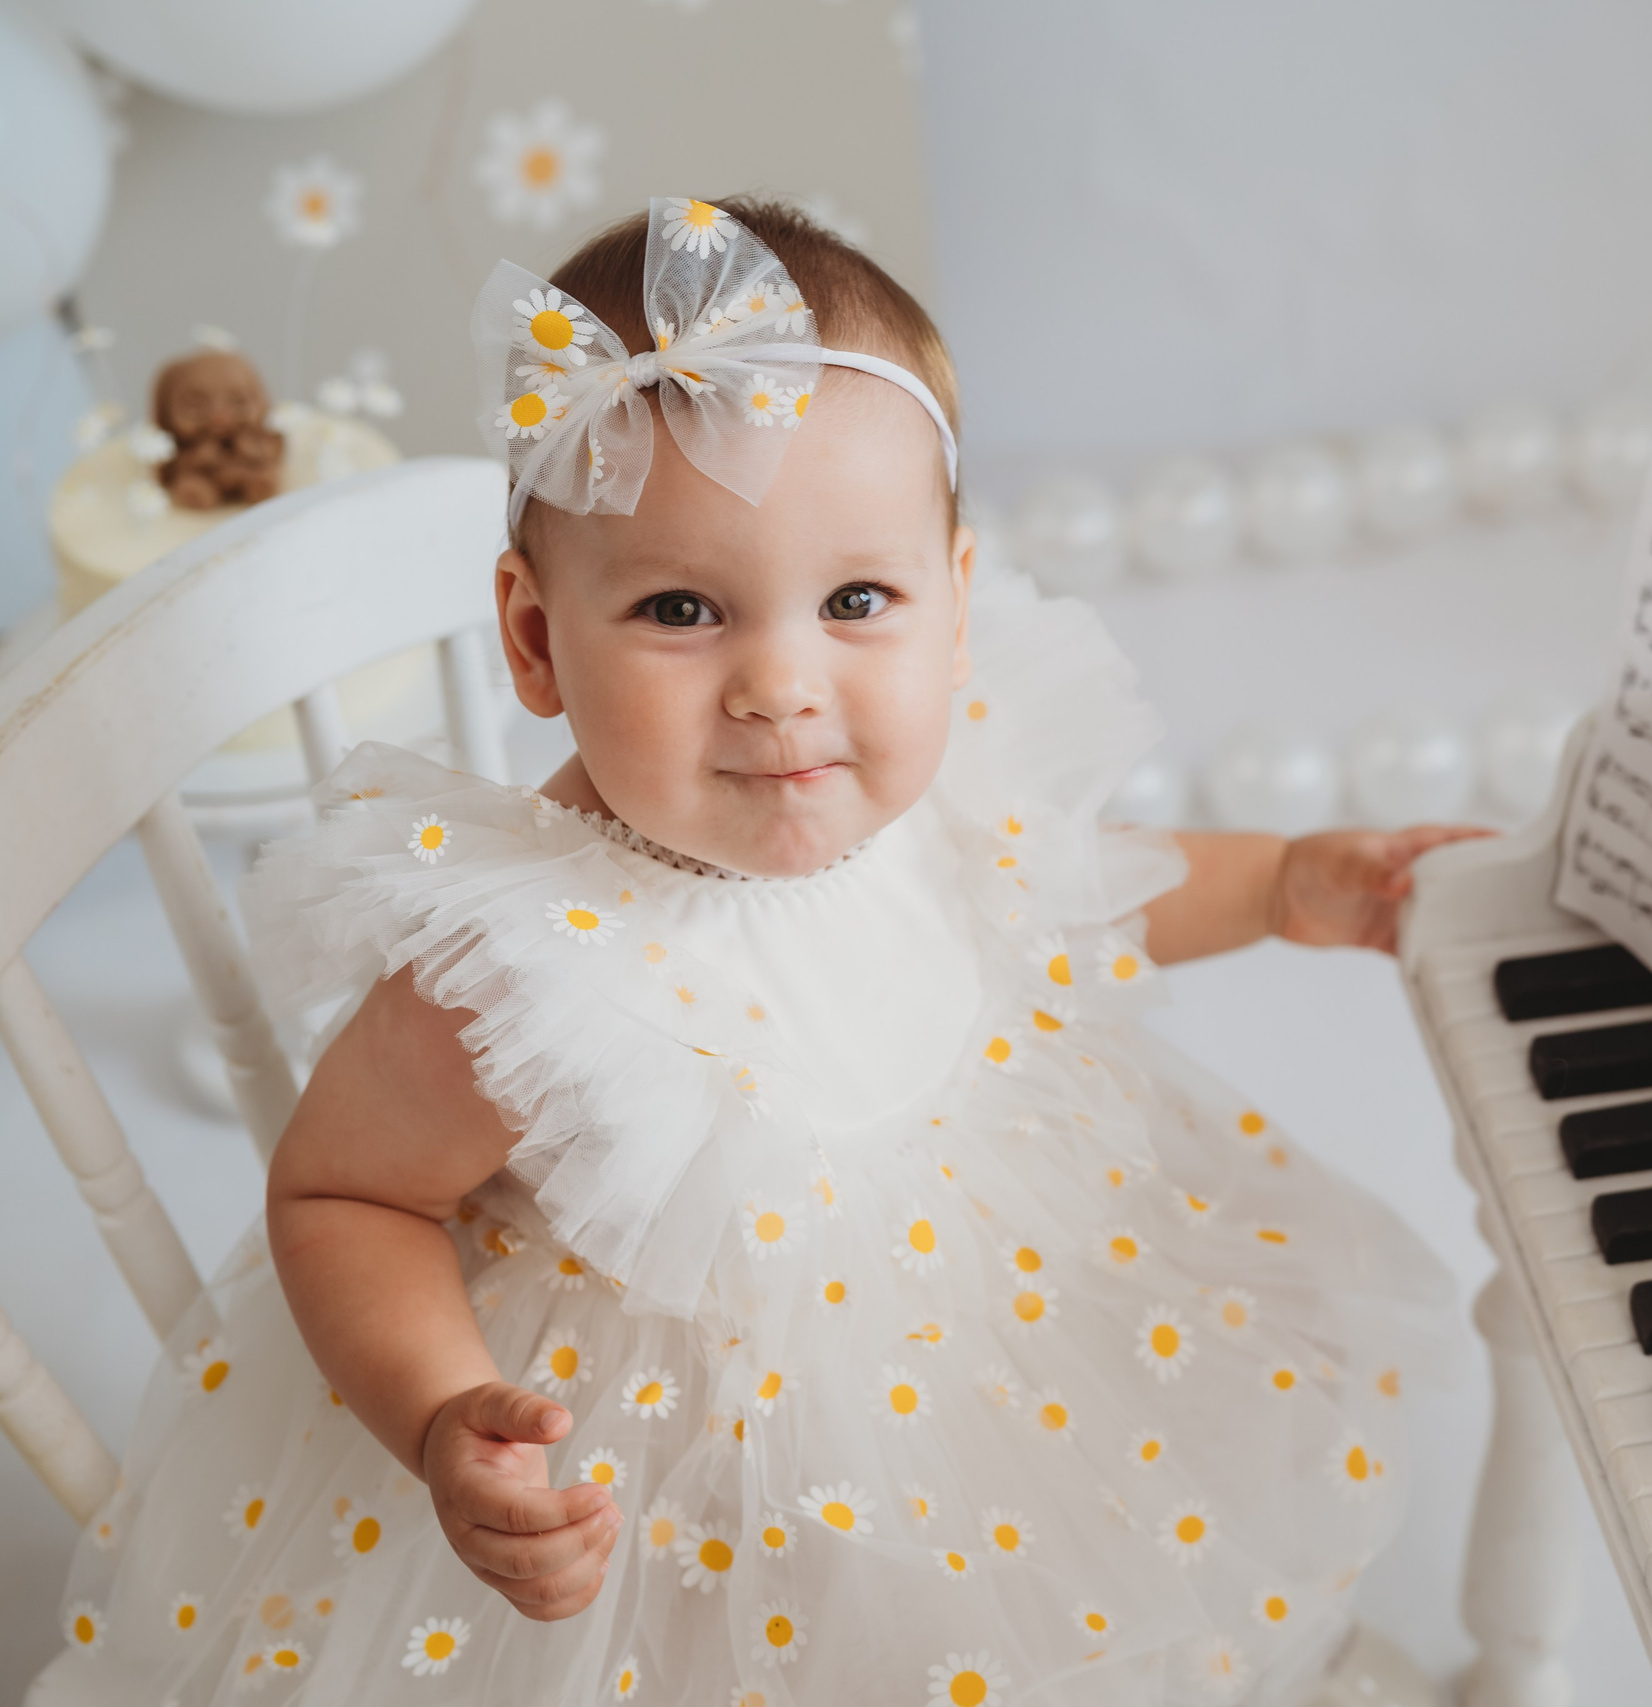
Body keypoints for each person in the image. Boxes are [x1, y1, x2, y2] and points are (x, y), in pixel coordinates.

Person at [42, 197, 1467, 1707]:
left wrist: (1281, 886)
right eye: (680, 609)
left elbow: (1081, 893)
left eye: (858, 600)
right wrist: (443, 1408)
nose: (784, 685)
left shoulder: (951, 783)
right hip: (692, 1488)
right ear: (535, 642)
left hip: (1009, 1331)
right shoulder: (527, 973)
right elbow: (344, 1191)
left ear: (956, 603)